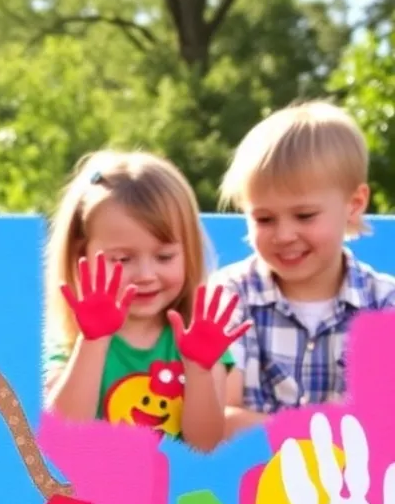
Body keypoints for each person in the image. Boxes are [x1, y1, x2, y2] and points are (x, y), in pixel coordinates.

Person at [44, 150, 247, 452]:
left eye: (164, 257)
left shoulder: (199, 340)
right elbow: (64, 435)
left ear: (188, 254)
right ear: (80, 256)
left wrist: (199, 370)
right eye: (123, 259)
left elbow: (205, 445)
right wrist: (93, 342)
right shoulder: (70, 342)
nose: (146, 274)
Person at [214, 100, 395, 437]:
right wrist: (323, 434)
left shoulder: (385, 304)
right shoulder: (229, 296)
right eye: (264, 218)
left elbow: (381, 425)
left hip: (354, 486)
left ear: (353, 205)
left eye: (305, 216)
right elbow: (217, 419)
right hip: (250, 484)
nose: (284, 235)